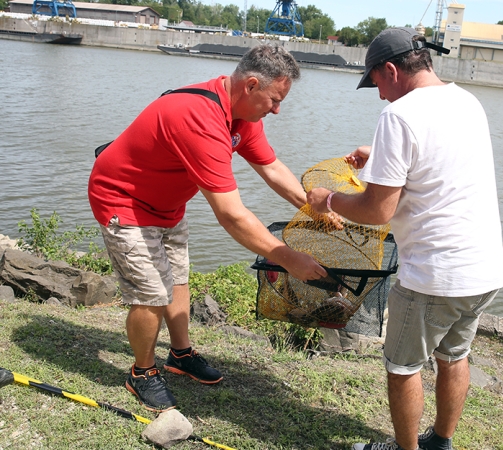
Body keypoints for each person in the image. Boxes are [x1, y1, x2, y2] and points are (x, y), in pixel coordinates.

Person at [88, 45, 328, 413]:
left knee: (178, 277)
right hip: (123, 199)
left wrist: (313, 210)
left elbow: (272, 167)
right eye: (275, 100)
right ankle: (142, 373)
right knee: (151, 292)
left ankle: (180, 355)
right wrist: (286, 257)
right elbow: (231, 214)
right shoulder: (199, 117)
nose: (277, 110)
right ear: (250, 85)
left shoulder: (243, 116)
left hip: (167, 204)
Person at [307, 28, 503, 450]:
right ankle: (440, 443)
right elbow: (437, 164)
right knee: (454, 356)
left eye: (377, 83)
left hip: (435, 276)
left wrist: (329, 200)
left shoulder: (398, 115)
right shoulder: (467, 101)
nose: (380, 95)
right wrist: (377, 156)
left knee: (402, 366)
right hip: (484, 270)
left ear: (391, 69)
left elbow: (377, 210)